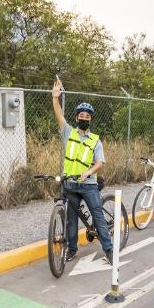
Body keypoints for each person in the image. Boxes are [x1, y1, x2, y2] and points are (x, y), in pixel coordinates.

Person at [51, 77, 113, 263]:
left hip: (88, 184)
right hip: (70, 184)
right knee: (71, 218)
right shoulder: (68, 132)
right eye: (81, 115)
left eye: (87, 116)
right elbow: (58, 115)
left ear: (90, 119)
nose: (84, 118)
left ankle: (109, 250)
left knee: (97, 216)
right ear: (77, 117)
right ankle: (71, 249)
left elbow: (100, 162)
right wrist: (55, 98)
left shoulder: (95, 140)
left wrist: (89, 172)